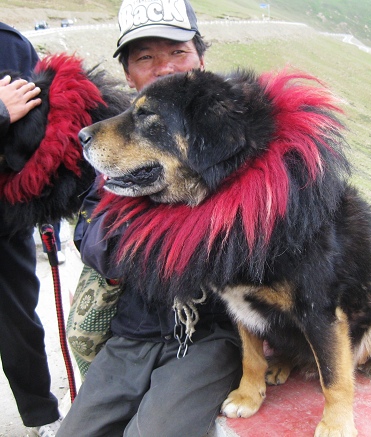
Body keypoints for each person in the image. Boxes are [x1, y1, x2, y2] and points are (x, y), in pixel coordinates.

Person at [58, 1, 242, 436]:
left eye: (177, 52)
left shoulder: (237, 136)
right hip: (132, 332)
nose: (165, 69)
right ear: (128, 74)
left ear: (200, 58)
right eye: (145, 57)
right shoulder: (114, 142)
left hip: (208, 334)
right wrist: (148, 227)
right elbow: (93, 241)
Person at [0, 21, 63, 437]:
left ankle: (41, 415)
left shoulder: (7, 45)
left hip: (4, 217)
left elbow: (35, 137)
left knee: (19, 323)